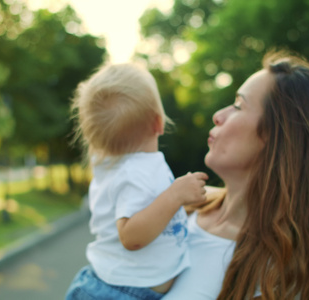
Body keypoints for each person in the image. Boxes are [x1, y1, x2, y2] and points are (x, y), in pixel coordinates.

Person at [163, 50, 309, 300]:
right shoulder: (178, 205)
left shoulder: (281, 277)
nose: (218, 115)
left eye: (238, 105)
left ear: (278, 139)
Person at [65, 63, 208, 300]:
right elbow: (131, 237)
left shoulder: (112, 164)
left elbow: (147, 205)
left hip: (116, 285)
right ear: (158, 123)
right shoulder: (137, 170)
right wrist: (175, 195)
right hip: (124, 291)